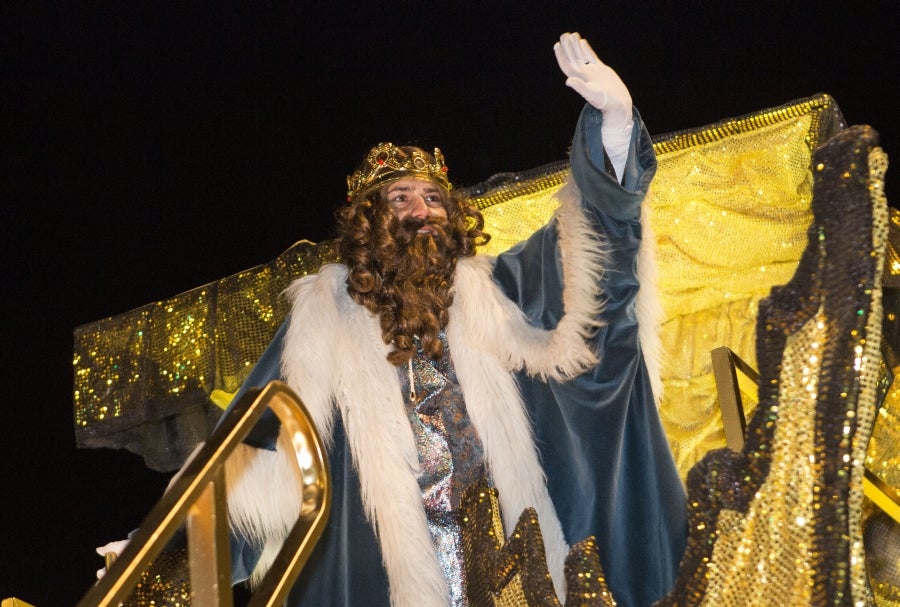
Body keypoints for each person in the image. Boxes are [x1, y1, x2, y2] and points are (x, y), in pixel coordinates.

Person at [103, 32, 687, 606]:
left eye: (433, 198)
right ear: (368, 222)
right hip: (388, 570)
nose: (421, 210)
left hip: (510, 560)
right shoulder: (323, 316)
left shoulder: (497, 292)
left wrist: (614, 126)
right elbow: (253, 447)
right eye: (400, 198)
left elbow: (592, 263)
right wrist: (158, 552)